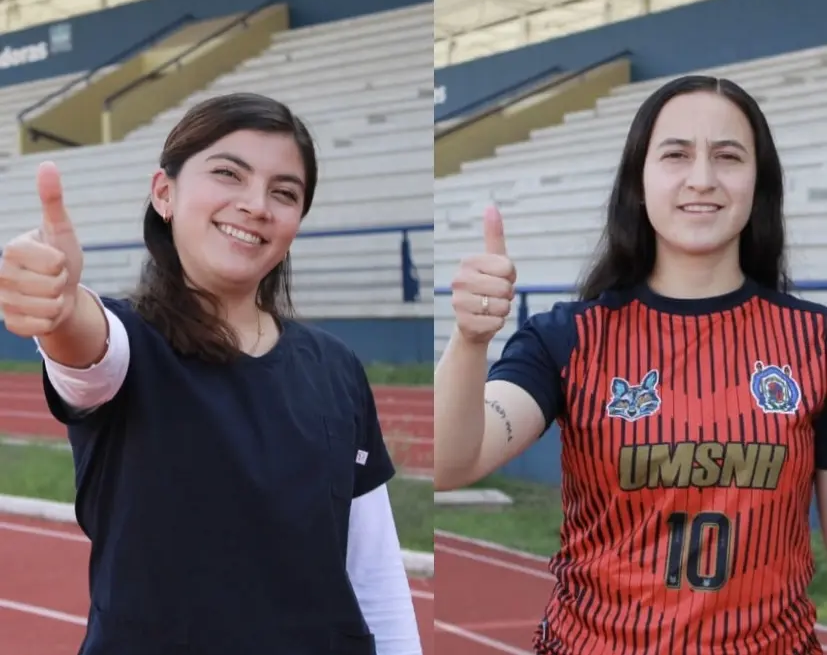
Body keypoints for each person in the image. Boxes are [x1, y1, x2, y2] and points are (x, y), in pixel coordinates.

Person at [0, 93, 422, 655]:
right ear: (164, 193)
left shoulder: (337, 367)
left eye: (284, 193)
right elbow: (86, 348)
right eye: (229, 174)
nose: (256, 205)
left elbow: (374, 573)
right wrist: (59, 307)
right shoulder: (127, 344)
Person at [435, 75, 827, 654]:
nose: (702, 178)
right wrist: (469, 340)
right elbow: (450, 461)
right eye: (676, 155)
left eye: (728, 157)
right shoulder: (566, 338)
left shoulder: (815, 342)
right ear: (638, 183)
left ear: (759, 185)